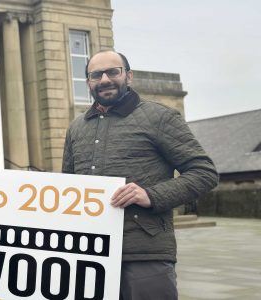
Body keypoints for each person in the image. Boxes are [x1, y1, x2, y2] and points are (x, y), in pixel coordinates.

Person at [62, 50, 218, 299]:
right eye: (96, 74)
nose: (104, 80)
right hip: (91, 256)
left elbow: (205, 172)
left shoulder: (160, 117)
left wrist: (152, 195)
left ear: (128, 76)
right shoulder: (76, 128)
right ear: (89, 82)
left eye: (113, 72)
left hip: (146, 254)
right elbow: (68, 188)